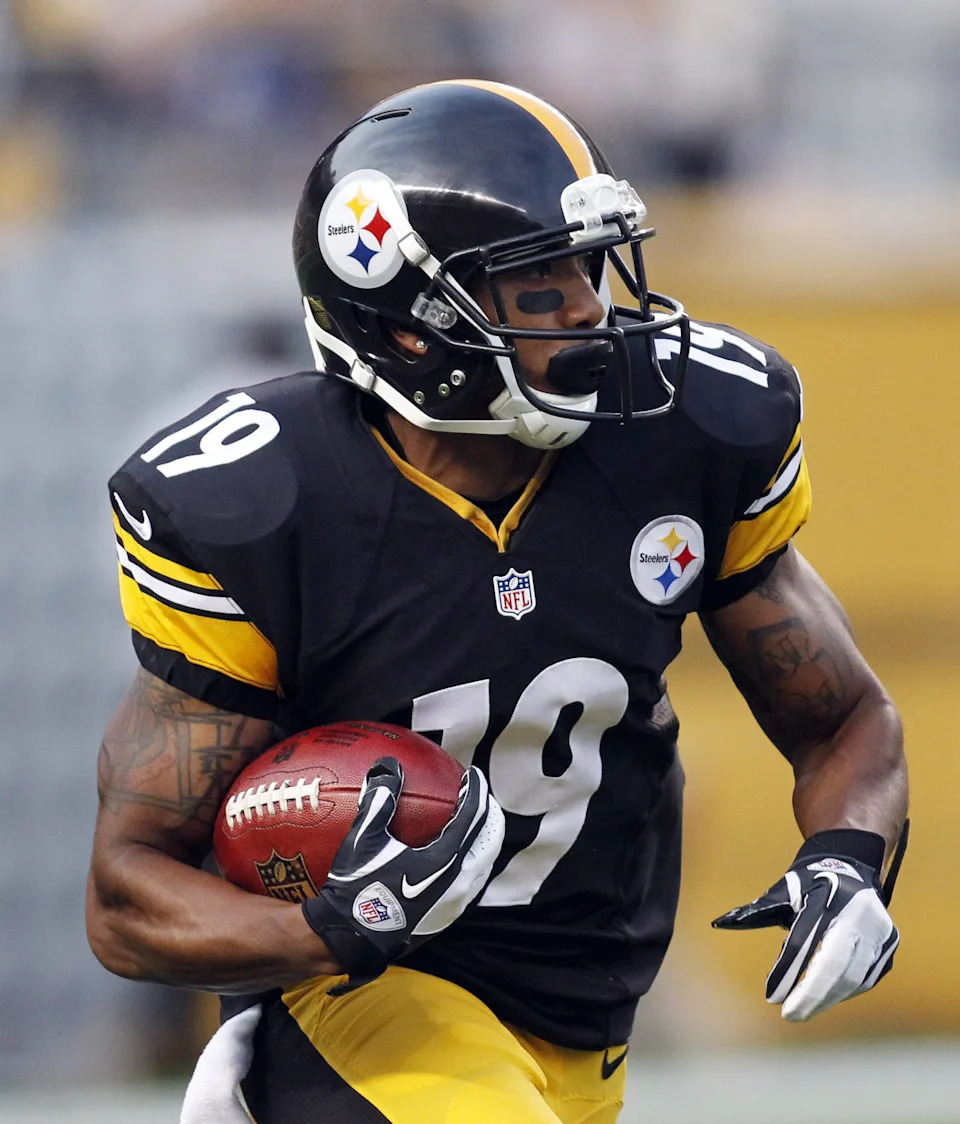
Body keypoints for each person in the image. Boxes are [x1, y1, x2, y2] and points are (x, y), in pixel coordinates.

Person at [87, 79, 908, 1124]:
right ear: (417, 330)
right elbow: (127, 894)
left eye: (588, 268)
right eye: (536, 286)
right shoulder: (272, 505)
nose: (590, 310)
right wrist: (336, 925)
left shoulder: (683, 433)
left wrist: (846, 857)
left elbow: (845, 717)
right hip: (368, 1002)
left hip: (590, 1005)